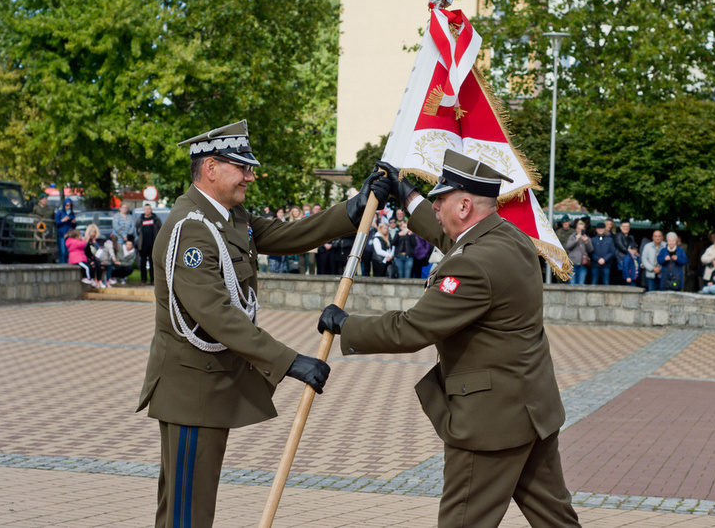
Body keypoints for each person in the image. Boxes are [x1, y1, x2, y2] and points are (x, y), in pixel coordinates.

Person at [136, 119, 390, 527]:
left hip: (209, 386)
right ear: (211, 167)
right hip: (190, 391)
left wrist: (353, 209)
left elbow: (289, 235)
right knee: (186, 513)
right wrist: (291, 362)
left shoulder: (230, 218)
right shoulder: (191, 230)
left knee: (194, 509)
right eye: (242, 167)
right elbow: (217, 315)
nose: (251, 176)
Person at [318, 152, 581, 528]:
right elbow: (450, 236)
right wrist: (405, 194)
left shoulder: (472, 264)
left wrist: (347, 324)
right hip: (531, 409)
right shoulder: (511, 239)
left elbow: (412, 328)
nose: (436, 205)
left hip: (490, 423)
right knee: (556, 520)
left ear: (465, 204)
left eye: (441, 198)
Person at [135, 204, 162, 284]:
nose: (147, 210)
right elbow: (137, 230)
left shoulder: (156, 219)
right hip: (143, 245)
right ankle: (143, 279)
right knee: (143, 263)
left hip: (153, 245)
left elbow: (160, 229)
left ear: (151, 210)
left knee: (152, 263)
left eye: (148, 209)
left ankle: (153, 280)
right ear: (143, 210)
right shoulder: (140, 219)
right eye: (145, 209)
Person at [565, 219, 593, 285]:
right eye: (579, 229)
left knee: (581, 283)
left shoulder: (587, 238)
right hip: (573, 263)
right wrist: (576, 240)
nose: (580, 231)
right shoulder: (572, 237)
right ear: (576, 229)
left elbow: (591, 250)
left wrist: (586, 242)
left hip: (583, 263)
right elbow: (568, 247)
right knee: (572, 283)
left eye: (582, 229)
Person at [54, 197, 77, 263]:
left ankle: (67, 265)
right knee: (62, 252)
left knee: (67, 253)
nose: (68, 207)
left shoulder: (72, 213)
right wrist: (62, 220)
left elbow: (74, 226)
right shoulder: (60, 212)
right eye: (67, 205)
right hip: (61, 235)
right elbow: (55, 223)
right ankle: (61, 266)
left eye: (70, 205)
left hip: (69, 235)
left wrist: (74, 223)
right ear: (64, 205)